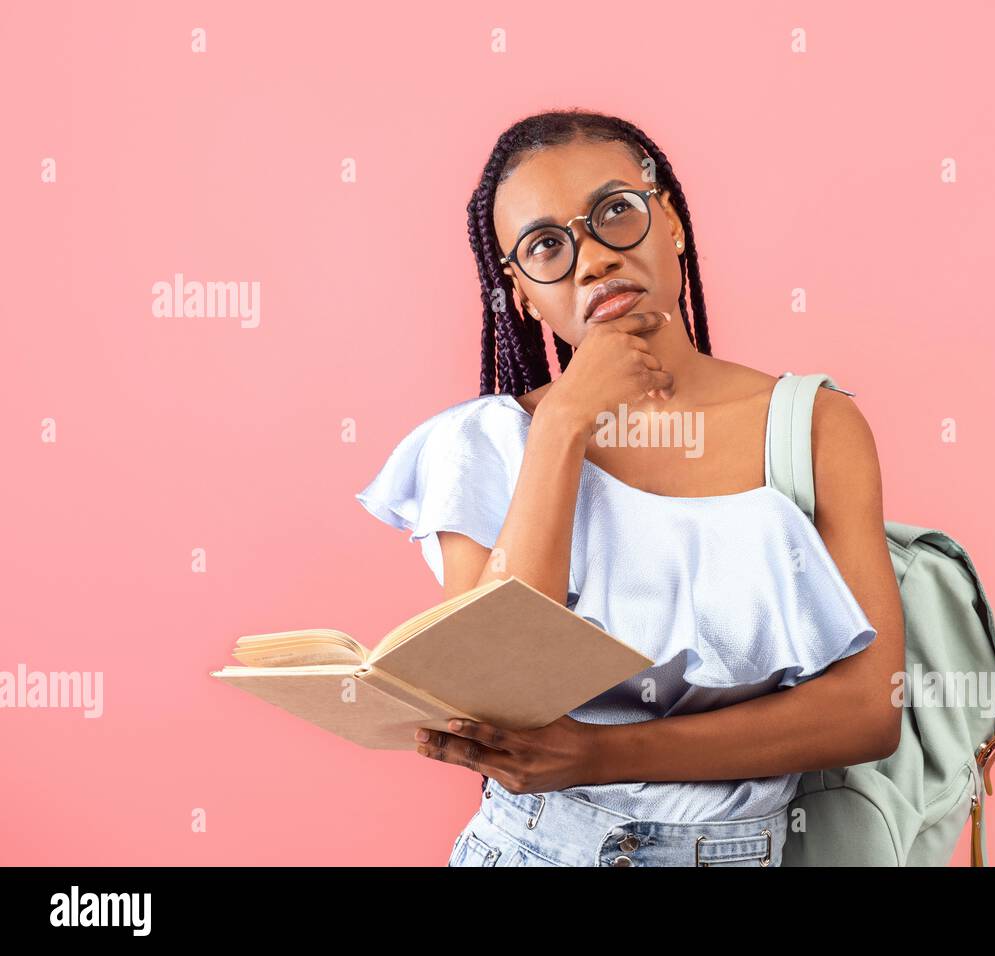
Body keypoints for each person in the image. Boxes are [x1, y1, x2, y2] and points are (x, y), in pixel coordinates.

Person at [355, 109, 904, 866]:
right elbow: (496, 686)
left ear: (670, 221)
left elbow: (870, 712)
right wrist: (562, 426)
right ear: (518, 292)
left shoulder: (811, 426)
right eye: (547, 245)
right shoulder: (480, 442)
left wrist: (601, 755)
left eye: (615, 211)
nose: (592, 261)